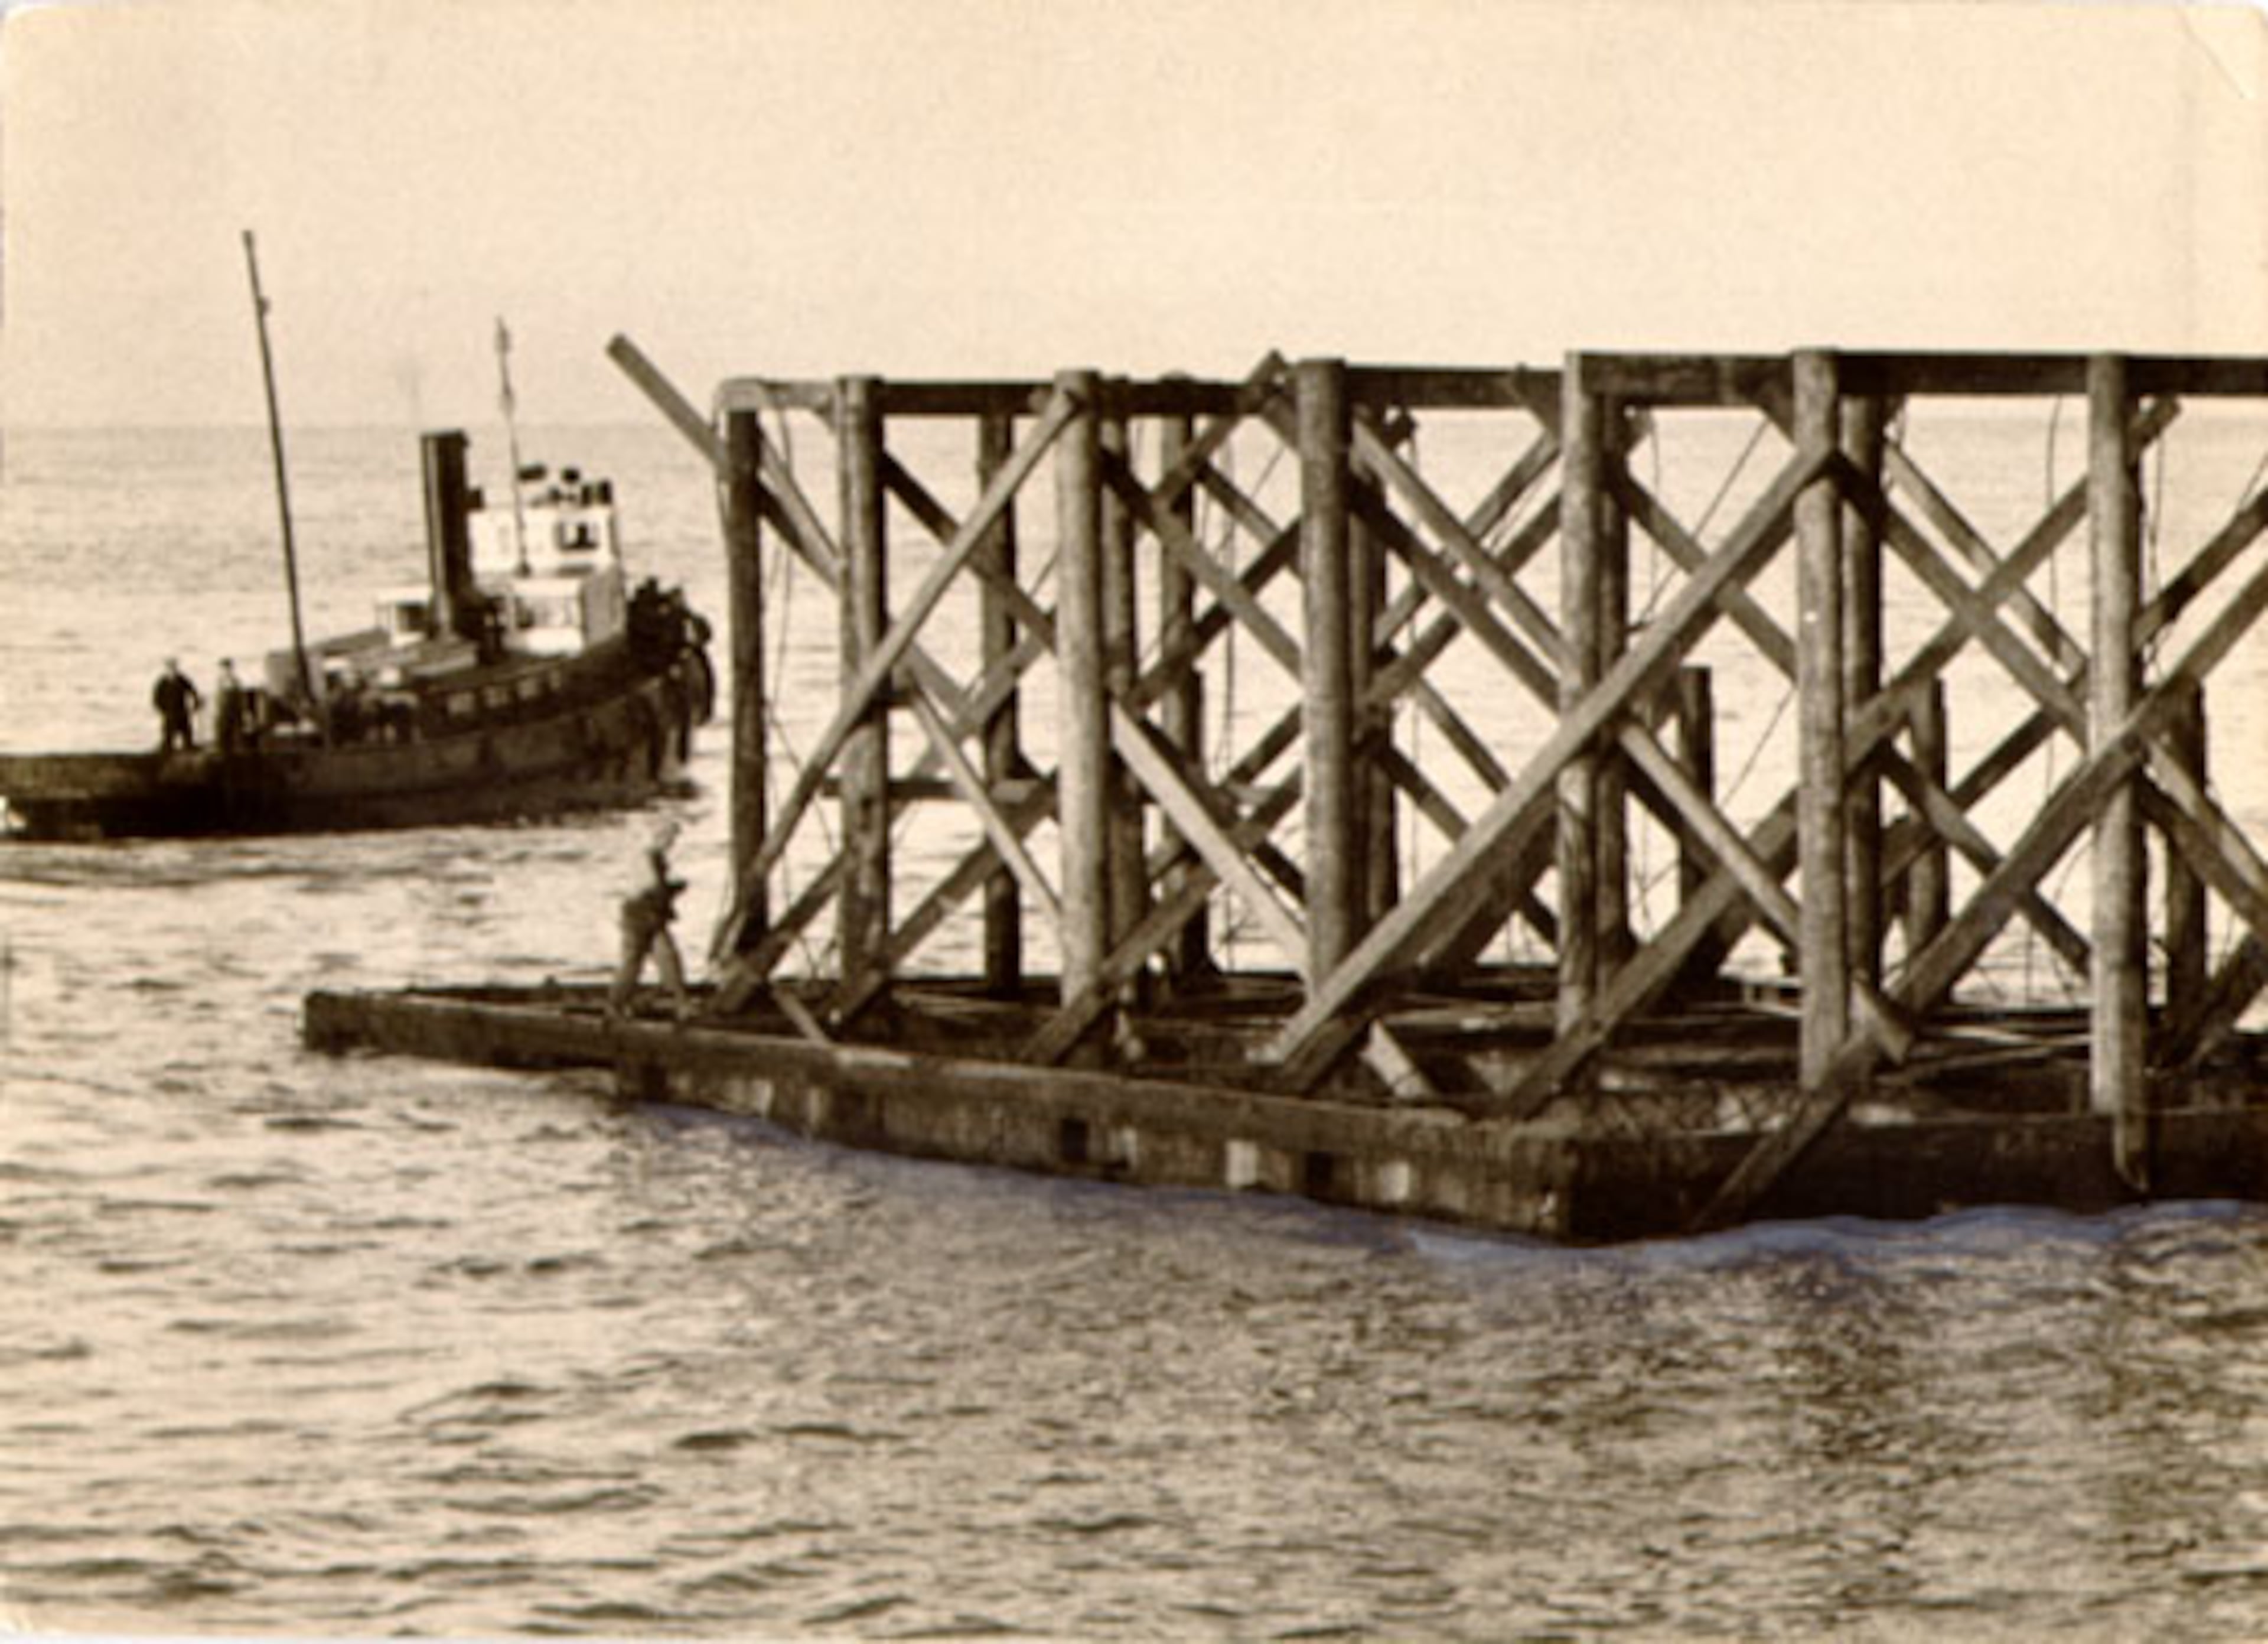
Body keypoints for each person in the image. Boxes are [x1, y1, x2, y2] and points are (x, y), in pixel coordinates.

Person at [608, 821, 692, 1021]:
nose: (672, 843)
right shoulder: (647, 857)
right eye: (670, 838)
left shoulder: (654, 857)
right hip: (641, 916)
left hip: (648, 916)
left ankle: (681, 1004)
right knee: (636, 962)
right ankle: (616, 1006)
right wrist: (674, 889)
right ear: (660, 836)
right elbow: (649, 888)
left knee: (667, 959)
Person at [152, 658, 201, 753]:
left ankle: (189, 752)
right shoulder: (162, 682)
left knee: (187, 735)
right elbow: (156, 699)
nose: (172, 670)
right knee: (168, 737)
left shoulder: (182, 680)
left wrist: (196, 705)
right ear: (167, 669)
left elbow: (193, 692)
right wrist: (163, 710)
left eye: (174, 668)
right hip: (169, 714)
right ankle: (166, 754)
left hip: (182, 712)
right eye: (170, 668)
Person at [214, 659, 247, 753]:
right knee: (223, 735)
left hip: (235, 712)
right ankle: (223, 753)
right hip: (223, 712)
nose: (226, 671)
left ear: (231, 669)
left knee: (237, 735)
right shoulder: (219, 682)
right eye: (223, 669)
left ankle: (238, 754)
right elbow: (218, 699)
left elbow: (241, 698)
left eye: (227, 669)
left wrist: (243, 711)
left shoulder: (236, 682)